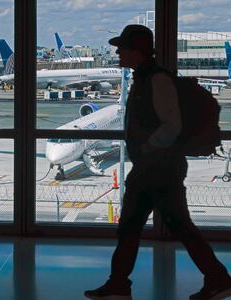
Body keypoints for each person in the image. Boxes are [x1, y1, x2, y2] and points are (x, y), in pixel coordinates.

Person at [84, 24, 231, 300]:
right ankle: (119, 283)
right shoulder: (143, 78)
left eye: (122, 47)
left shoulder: (156, 80)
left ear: (137, 51)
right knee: (134, 225)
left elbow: (171, 125)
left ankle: (218, 278)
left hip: (159, 167)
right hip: (153, 167)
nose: (117, 52)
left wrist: (149, 146)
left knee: (165, 226)